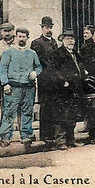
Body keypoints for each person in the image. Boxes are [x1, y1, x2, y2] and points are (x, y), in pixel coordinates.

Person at [43, 28, 88, 149]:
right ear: (62, 40)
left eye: (72, 38)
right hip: (62, 90)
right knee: (62, 115)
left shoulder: (76, 54)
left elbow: (80, 68)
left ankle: (71, 140)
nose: (70, 41)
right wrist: (63, 81)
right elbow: (52, 70)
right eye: (68, 38)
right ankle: (61, 141)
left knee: (72, 115)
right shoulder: (57, 53)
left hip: (75, 89)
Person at [0, 27, 42, 148]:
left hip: (28, 87)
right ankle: (5, 137)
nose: (21, 39)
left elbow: (38, 66)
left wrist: (35, 72)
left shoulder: (32, 53)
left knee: (27, 112)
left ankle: (26, 135)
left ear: (27, 38)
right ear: (15, 37)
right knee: (9, 112)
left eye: (24, 37)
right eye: (19, 36)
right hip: (13, 87)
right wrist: (5, 83)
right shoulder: (8, 52)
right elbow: (2, 69)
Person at [31, 16, 60, 147]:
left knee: (54, 106)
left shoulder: (54, 42)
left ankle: (53, 134)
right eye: (46, 27)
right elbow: (39, 60)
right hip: (45, 79)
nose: (49, 30)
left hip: (55, 79)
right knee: (46, 106)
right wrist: (51, 69)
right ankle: (45, 135)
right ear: (42, 28)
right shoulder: (37, 43)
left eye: (50, 27)